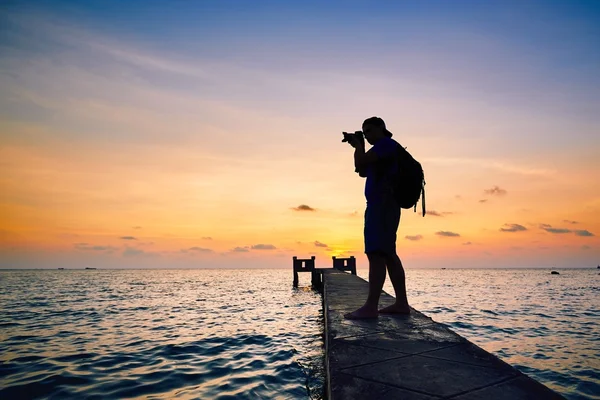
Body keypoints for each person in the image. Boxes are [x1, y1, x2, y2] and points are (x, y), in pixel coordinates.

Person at [344, 117, 411, 319]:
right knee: (388, 254)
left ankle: (371, 307)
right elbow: (362, 170)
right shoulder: (382, 150)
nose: (367, 134)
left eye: (369, 130)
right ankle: (401, 304)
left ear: (382, 128)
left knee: (376, 253)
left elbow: (361, 162)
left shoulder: (385, 145)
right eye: (364, 132)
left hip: (382, 205)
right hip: (383, 205)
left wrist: (360, 146)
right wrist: (358, 146)